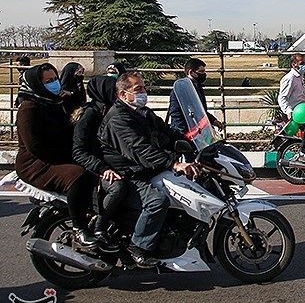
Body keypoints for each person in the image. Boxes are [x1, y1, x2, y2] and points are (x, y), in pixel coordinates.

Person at [99, 72, 198, 267]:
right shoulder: (119, 118)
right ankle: (139, 247)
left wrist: (195, 143)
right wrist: (173, 163)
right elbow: (140, 149)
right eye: (138, 89)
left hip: (144, 170)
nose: (143, 93)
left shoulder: (143, 113)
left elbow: (167, 133)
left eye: (144, 88)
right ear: (122, 95)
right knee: (157, 201)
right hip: (127, 174)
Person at [14, 64, 99, 250]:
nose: (54, 84)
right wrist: (70, 158)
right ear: (37, 84)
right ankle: (79, 228)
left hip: (57, 156)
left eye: (55, 79)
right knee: (79, 175)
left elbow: (78, 114)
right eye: (49, 81)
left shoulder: (55, 102)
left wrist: (72, 97)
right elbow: (35, 146)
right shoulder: (29, 108)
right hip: (37, 163)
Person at [71, 76, 125, 250]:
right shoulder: (90, 115)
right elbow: (79, 152)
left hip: (117, 163)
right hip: (97, 169)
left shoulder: (115, 111)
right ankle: (99, 228)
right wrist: (102, 168)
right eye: (113, 90)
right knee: (118, 188)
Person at [167, 58, 224, 159]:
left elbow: (200, 109)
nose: (204, 74)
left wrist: (213, 120)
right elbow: (177, 113)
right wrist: (184, 135)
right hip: (185, 130)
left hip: (196, 130)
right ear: (191, 72)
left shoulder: (195, 86)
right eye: (201, 71)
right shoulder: (183, 87)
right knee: (191, 160)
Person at [277, 53, 305, 162]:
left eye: (304, 63)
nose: (304, 65)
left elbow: (298, 96)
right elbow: (282, 97)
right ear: (294, 64)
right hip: (293, 114)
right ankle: (304, 153)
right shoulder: (289, 78)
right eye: (301, 63)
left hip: (301, 111)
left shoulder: (299, 77)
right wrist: (289, 111)